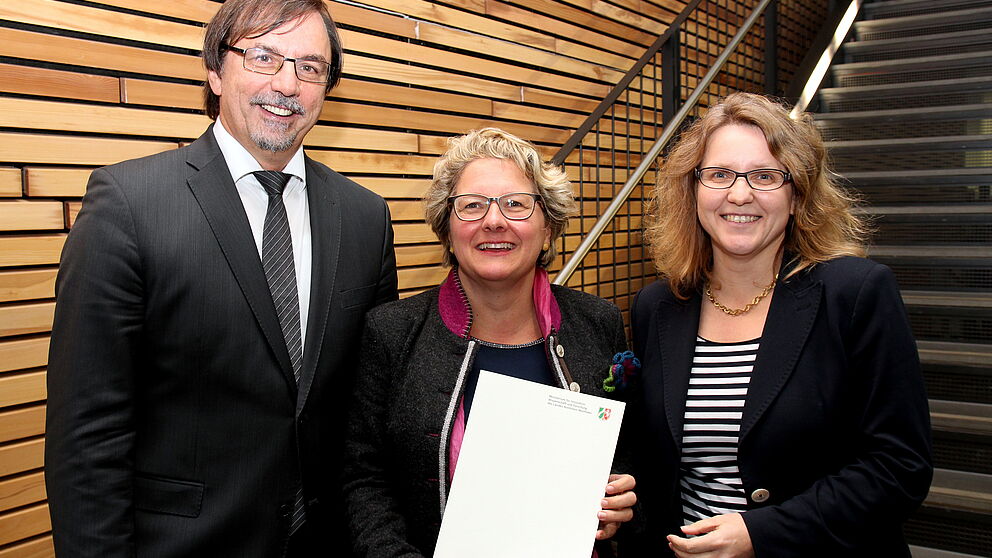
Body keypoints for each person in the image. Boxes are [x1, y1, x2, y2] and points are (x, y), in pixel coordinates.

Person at [44, 0, 397, 556]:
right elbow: (88, 436)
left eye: (310, 67)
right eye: (263, 57)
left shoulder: (366, 218)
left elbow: (369, 413)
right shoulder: (129, 206)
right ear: (215, 69)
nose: (287, 84)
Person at [626, 92, 932, 558]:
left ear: (796, 197)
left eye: (765, 176)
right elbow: (655, 464)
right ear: (694, 191)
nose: (740, 193)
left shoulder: (856, 293)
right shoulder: (658, 306)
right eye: (719, 175)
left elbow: (899, 466)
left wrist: (763, 533)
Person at [343, 127, 637, 557]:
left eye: (516, 204)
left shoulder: (600, 323)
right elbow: (363, 478)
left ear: (549, 227)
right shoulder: (391, 332)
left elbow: (624, 454)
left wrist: (619, 499)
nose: (494, 221)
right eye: (473, 206)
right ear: (447, 229)